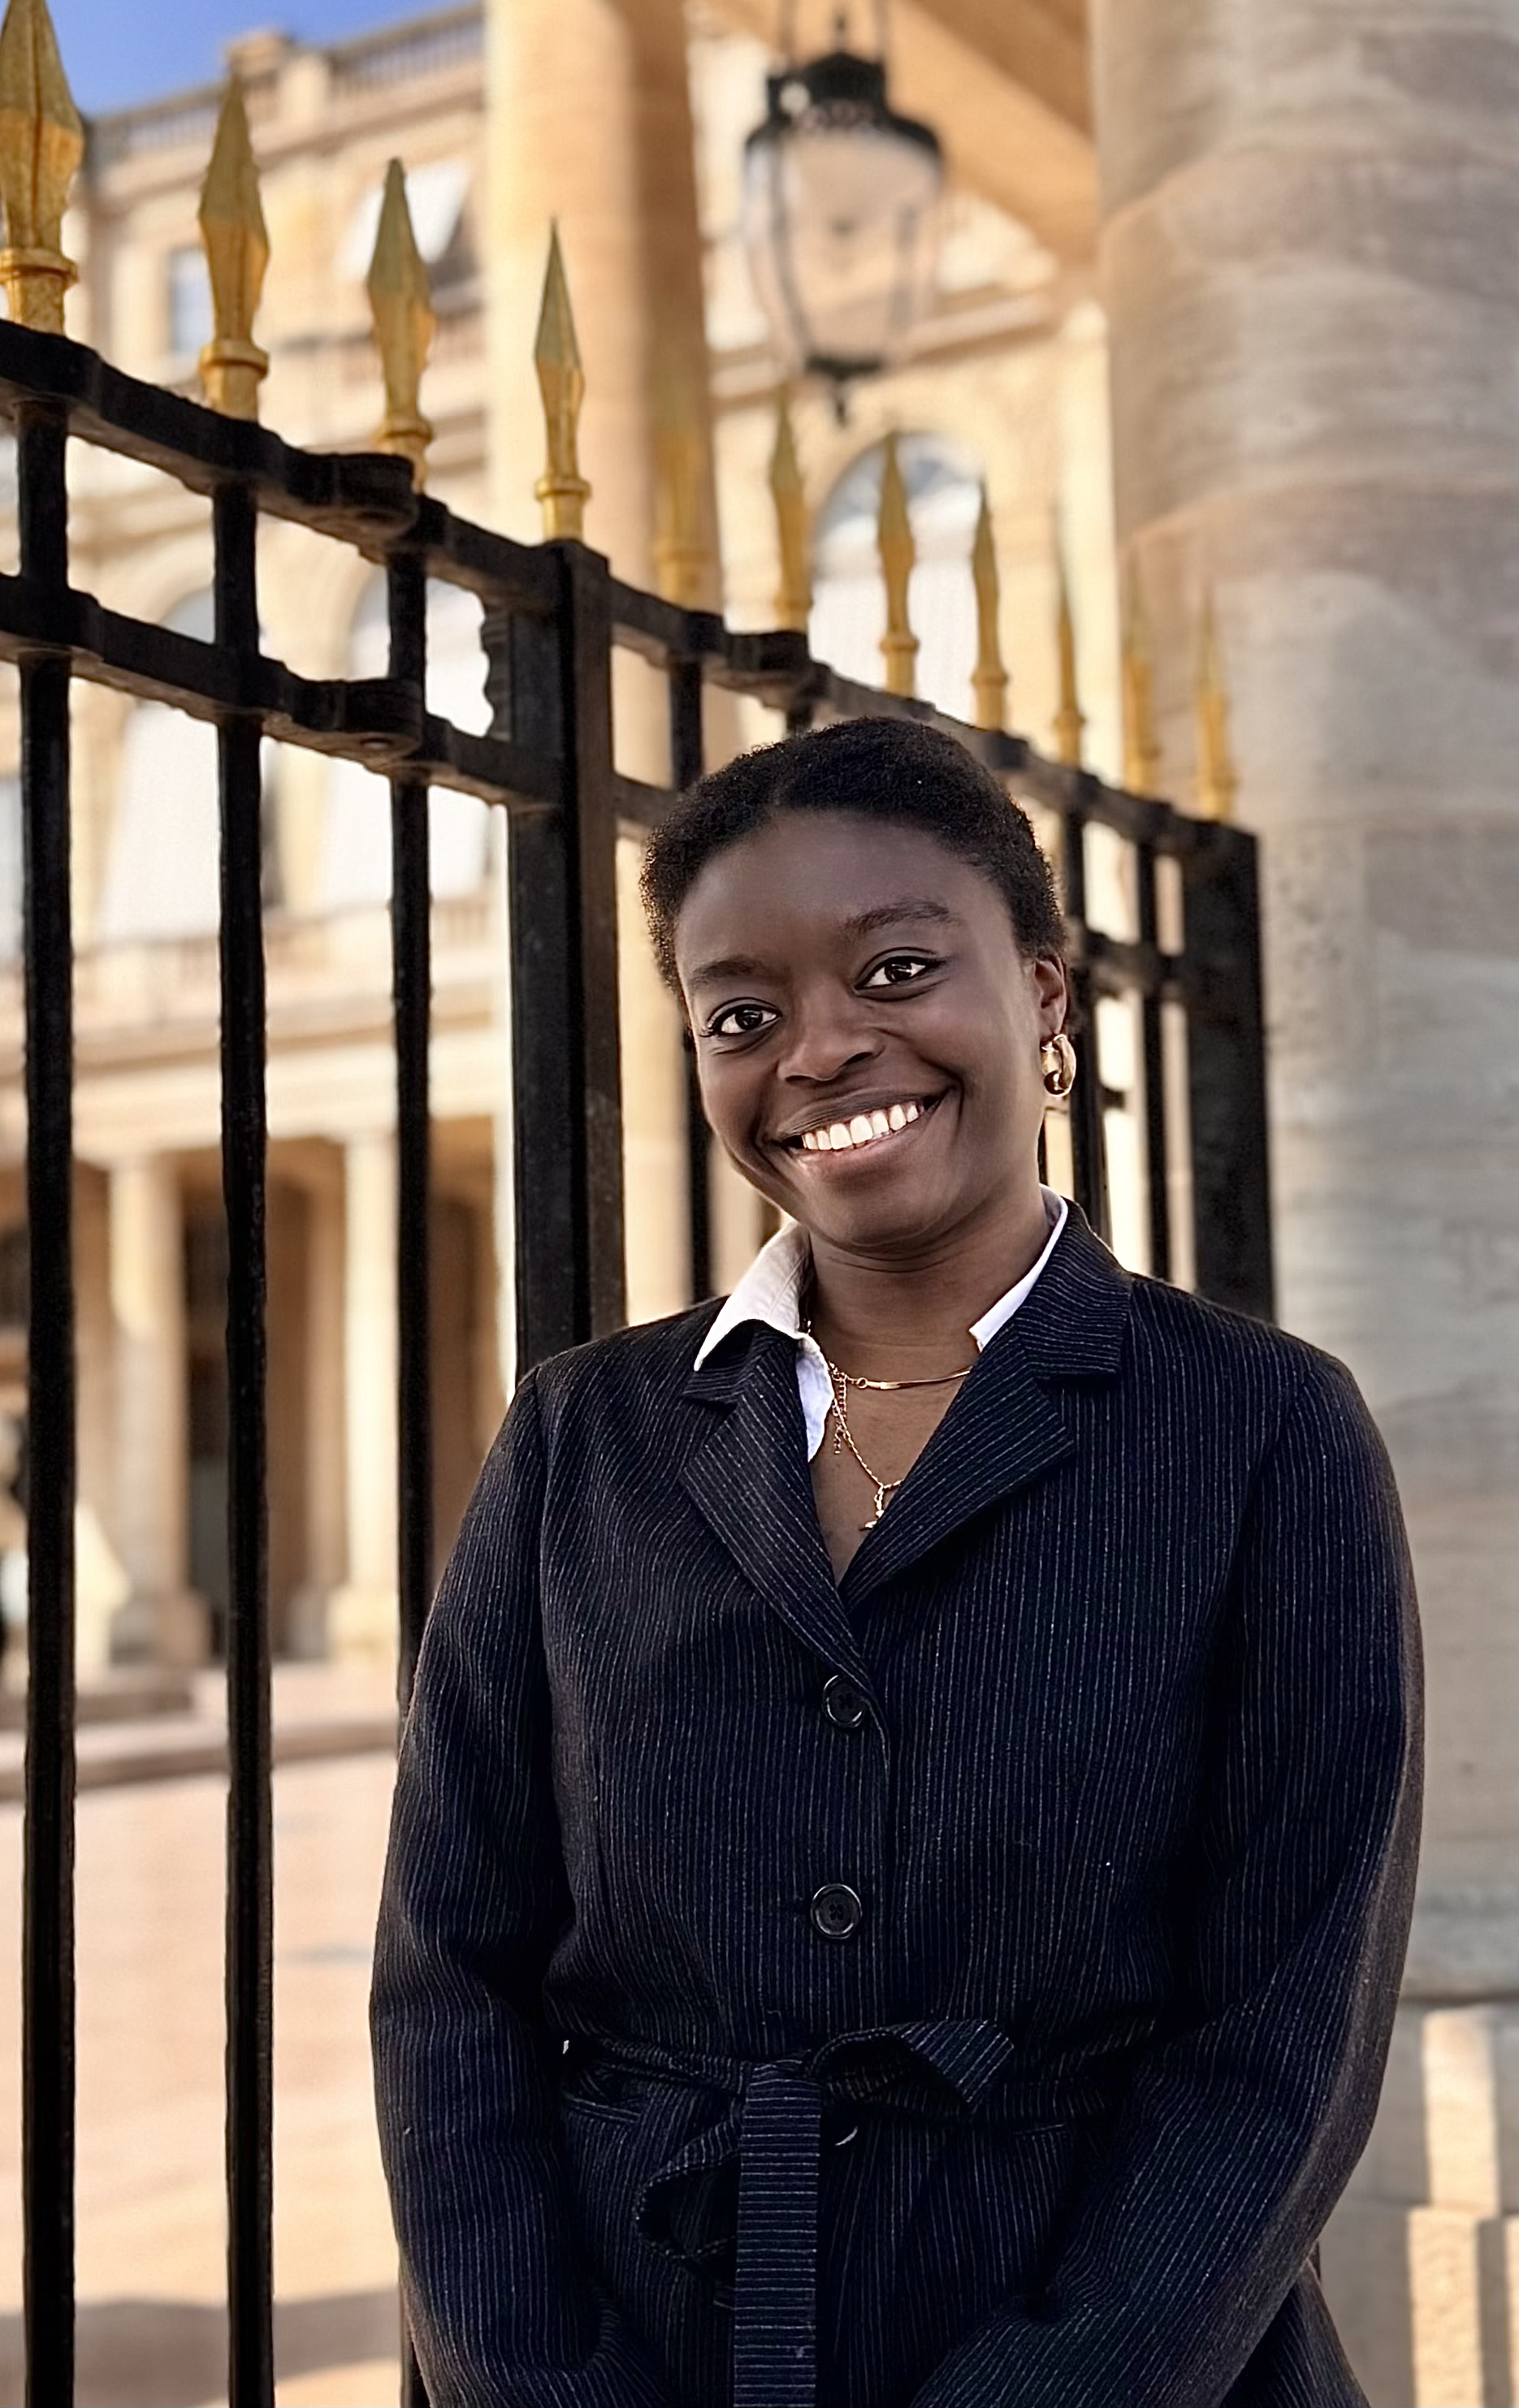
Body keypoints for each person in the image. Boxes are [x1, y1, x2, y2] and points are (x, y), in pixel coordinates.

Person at [370, 715, 1424, 2408]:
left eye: (897, 970)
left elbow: (1282, 2041)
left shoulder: (1262, 1430)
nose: (818, 1049)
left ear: (1045, 998)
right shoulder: (580, 1436)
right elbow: (448, 1985)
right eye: (741, 1015)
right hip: (638, 2344)